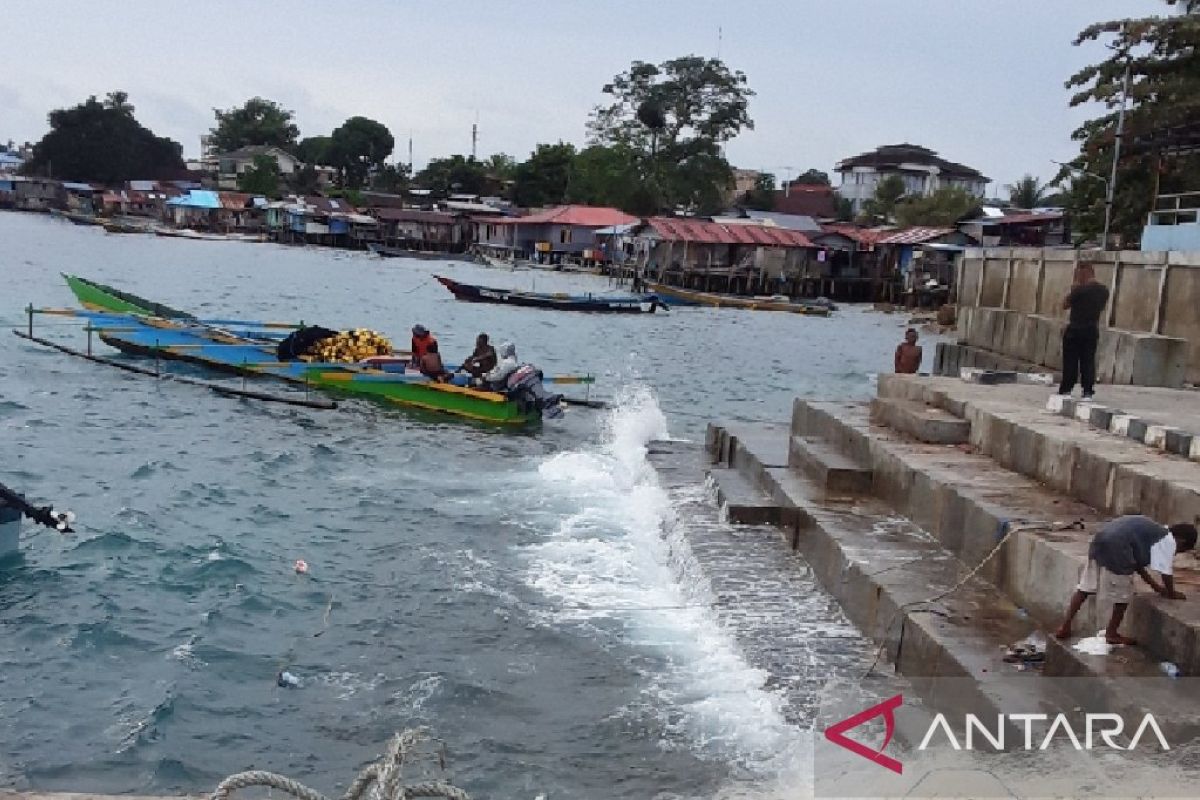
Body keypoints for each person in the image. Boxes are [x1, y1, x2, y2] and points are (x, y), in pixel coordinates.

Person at [1055, 516, 1197, 645]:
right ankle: (1111, 633)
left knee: (1085, 587)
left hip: (1100, 539)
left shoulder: (1153, 534)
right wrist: (1171, 593)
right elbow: (1166, 573)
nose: (1176, 553)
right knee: (1123, 596)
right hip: (1118, 548)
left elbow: (1137, 565)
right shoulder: (1168, 542)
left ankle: (1065, 626)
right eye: (1179, 550)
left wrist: (1156, 587)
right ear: (1180, 541)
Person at [1058, 263, 1110, 400]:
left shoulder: (1079, 290)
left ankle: (1066, 389)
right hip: (1092, 329)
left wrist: (1073, 288)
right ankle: (1087, 391)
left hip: (1075, 329)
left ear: (1084, 273)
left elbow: (1065, 305)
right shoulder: (1104, 290)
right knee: (1088, 361)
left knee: (1071, 361)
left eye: (1077, 274)